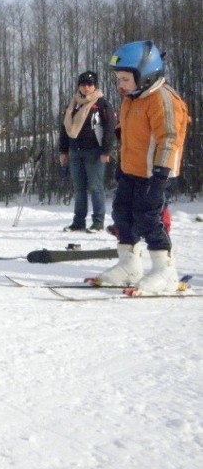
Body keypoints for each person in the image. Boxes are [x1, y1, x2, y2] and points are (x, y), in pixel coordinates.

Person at [95, 40, 189, 295]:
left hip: (155, 174)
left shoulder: (163, 99)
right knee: (122, 215)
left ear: (145, 75)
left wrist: (160, 176)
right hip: (131, 170)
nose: (120, 86)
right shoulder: (132, 99)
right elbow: (129, 134)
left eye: (125, 79)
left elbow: (168, 138)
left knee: (149, 218)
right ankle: (129, 266)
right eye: (118, 79)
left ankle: (165, 270)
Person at [58, 70, 116, 232]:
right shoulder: (73, 105)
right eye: (83, 84)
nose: (86, 87)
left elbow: (110, 129)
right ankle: (78, 222)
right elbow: (64, 128)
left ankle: (98, 221)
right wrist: (63, 151)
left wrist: (106, 151)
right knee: (79, 188)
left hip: (95, 152)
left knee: (96, 187)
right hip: (75, 151)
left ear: (95, 86)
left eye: (89, 84)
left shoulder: (102, 104)